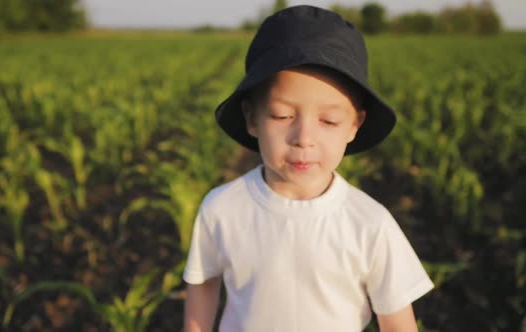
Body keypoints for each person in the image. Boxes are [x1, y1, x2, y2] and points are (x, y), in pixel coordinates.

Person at [182, 5, 434, 332]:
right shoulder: (221, 209)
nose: (304, 139)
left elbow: (398, 324)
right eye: (282, 116)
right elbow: (203, 285)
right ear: (251, 118)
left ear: (354, 126)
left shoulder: (370, 223)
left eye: (328, 121)